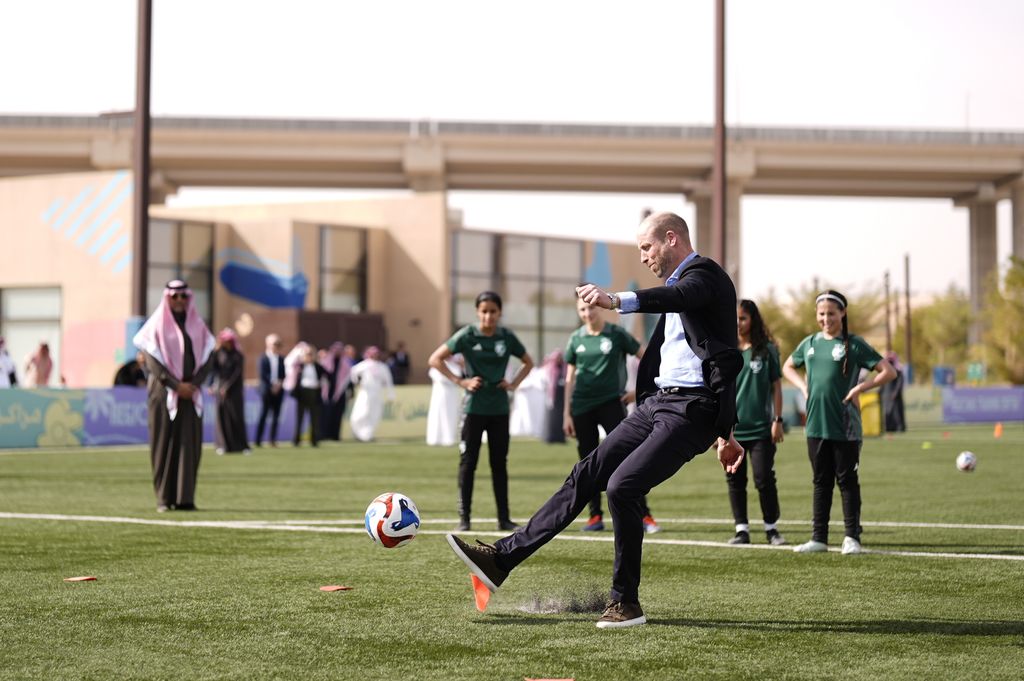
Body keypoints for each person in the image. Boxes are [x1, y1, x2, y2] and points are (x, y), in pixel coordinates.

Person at [445, 213, 745, 629]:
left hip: (692, 410)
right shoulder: (679, 287)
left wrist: (616, 300)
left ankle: (625, 603)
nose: (643, 257)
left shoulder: (705, 276)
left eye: (646, 247)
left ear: (671, 239)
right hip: (657, 405)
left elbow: (681, 302)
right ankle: (500, 559)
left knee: (623, 487)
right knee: (586, 473)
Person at [782, 290, 896, 555]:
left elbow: (888, 371)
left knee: (847, 481)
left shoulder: (854, 344)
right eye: (821, 314)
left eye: (831, 313)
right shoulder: (809, 343)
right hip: (815, 425)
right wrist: (803, 387)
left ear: (843, 313)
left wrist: (860, 388)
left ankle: (851, 538)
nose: (826, 319)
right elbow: (787, 366)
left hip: (845, 426)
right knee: (820, 481)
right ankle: (818, 538)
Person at [428, 291, 535, 533]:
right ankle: (464, 518)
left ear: (500, 312)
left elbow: (528, 362)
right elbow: (435, 359)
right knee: (468, 463)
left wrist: (513, 384)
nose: (488, 316)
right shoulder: (467, 335)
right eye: (484, 311)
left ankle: (504, 519)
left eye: (493, 311)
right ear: (477, 312)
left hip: (499, 409)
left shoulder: (506, 337)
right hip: (473, 408)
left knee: (499, 464)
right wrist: (461, 381)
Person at [562, 295, 660, 534]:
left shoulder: (616, 334)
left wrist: (638, 390)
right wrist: (566, 413)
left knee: (626, 457)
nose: (587, 313)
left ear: (599, 307)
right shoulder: (576, 339)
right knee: (588, 463)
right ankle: (594, 516)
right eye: (582, 310)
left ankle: (645, 516)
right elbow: (569, 379)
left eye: (590, 308)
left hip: (611, 404)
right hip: (582, 407)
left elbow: (647, 357)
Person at [133, 280, 215, 512]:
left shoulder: (198, 326)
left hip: (191, 394)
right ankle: (164, 498)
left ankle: (185, 498)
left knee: (189, 445)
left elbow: (208, 358)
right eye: (175, 296)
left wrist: (193, 385)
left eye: (183, 296)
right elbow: (152, 360)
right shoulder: (155, 326)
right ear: (167, 297)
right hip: (164, 394)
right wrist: (175, 385)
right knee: (163, 444)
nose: (179, 301)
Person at [724, 299, 786, 546]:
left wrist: (777, 420)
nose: (738, 323)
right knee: (735, 479)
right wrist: (718, 429)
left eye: (743, 318)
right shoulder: (726, 350)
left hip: (761, 429)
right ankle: (742, 530)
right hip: (732, 431)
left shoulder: (767, 350)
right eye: (734, 318)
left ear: (753, 320)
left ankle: (772, 529)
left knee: (763, 478)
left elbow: (777, 386)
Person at [210, 328, 250, 455]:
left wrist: (227, 387)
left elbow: (237, 374)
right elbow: (213, 370)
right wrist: (214, 386)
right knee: (221, 417)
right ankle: (222, 445)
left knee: (236, 417)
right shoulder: (217, 354)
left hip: (234, 391)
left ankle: (241, 446)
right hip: (220, 390)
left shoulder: (238, 355)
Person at [349, 346, 396, 442]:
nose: (374, 355)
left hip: (377, 393)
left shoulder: (382, 366)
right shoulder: (364, 364)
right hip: (365, 393)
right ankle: (358, 433)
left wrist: (391, 394)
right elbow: (353, 371)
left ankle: (368, 435)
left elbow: (388, 380)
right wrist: (356, 382)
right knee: (360, 413)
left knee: (374, 414)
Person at [289, 343, 327, 447]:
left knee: (314, 419)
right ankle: (296, 440)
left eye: (311, 354)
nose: (309, 356)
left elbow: (328, 375)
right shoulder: (299, 366)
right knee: (299, 418)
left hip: (314, 393)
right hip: (302, 394)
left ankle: (314, 440)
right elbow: (290, 366)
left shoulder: (318, 367)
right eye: (307, 354)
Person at [426, 353, 464, 446]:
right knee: (437, 414)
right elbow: (435, 375)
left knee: (450, 414)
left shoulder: (454, 366)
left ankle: (448, 438)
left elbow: (458, 376)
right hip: (440, 392)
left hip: (452, 393)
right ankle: (434, 438)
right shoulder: (438, 364)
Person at [255, 334, 285, 447]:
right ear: (268, 344)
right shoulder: (262, 358)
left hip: (279, 390)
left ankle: (272, 440)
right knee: (264, 414)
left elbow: (283, 374)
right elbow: (263, 375)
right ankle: (258, 440)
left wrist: (279, 384)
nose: (276, 346)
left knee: (276, 416)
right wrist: (272, 385)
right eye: (274, 344)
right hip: (266, 390)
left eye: (278, 344)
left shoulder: (281, 359)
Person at [320, 342, 353, 441]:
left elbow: (348, 380)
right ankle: (324, 435)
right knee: (325, 414)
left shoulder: (346, 364)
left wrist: (351, 391)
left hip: (340, 393)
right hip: (326, 392)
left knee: (338, 415)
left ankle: (335, 435)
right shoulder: (325, 362)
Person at [881, 351, 907, 432]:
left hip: (895, 395)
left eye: (891, 361)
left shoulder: (898, 371)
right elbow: (882, 383)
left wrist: (896, 392)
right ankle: (889, 427)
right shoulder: (885, 371)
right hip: (886, 395)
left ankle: (899, 427)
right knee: (887, 411)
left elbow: (900, 382)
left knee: (897, 412)